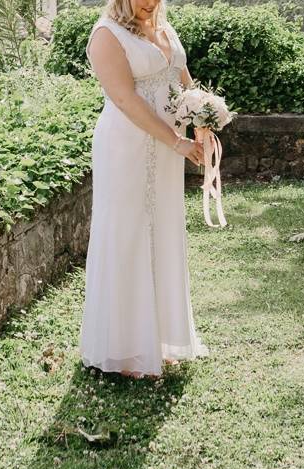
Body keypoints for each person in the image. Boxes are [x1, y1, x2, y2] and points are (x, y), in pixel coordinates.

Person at [78, 0, 211, 379]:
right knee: (128, 236)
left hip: (168, 150)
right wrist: (177, 142)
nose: (149, 2)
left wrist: (204, 116)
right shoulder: (106, 35)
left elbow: (183, 81)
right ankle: (125, 351)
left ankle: (162, 339)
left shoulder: (165, 27)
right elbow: (125, 100)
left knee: (162, 232)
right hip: (128, 148)